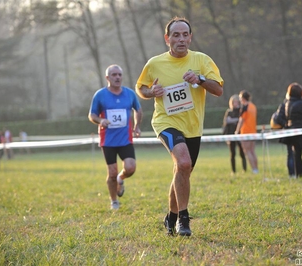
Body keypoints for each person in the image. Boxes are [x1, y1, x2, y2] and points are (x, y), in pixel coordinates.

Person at [135, 17, 223, 236]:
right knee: (183, 163)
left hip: (193, 127)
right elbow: (141, 88)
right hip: (166, 121)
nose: (181, 39)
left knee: (182, 170)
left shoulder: (202, 60)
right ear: (167, 39)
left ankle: (170, 218)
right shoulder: (155, 63)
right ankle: (183, 220)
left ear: (190, 37)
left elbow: (218, 90)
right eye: (176, 35)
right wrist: (150, 93)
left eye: (185, 35)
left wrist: (200, 79)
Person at [88, 64, 143, 210]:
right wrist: (100, 121)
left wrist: (136, 126)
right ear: (107, 77)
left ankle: (121, 178)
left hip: (125, 139)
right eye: (114, 75)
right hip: (108, 140)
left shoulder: (130, 93)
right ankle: (114, 201)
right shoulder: (100, 95)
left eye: (119, 74)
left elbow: (138, 110)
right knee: (111, 173)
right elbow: (92, 115)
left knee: (130, 168)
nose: (117, 77)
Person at [235, 91, 258, 174]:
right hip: (253, 131)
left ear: (243, 98)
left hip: (246, 132)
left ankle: (254, 169)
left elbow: (241, 120)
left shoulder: (245, 107)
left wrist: (237, 131)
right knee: (252, 151)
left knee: (247, 151)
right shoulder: (253, 106)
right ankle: (256, 168)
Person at [222, 95, 246, 175]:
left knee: (242, 152)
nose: (235, 103)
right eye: (234, 102)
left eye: (236, 102)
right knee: (232, 153)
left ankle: (244, 169)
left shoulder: (240, 111)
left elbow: (241, 120)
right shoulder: (229, 112)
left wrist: (233, 120)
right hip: (230, 134)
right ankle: (233, 171)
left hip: (239, 134)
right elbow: (226, 122)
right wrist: (235, 120)